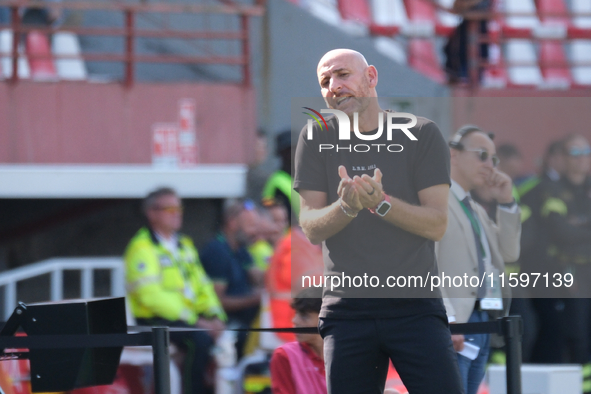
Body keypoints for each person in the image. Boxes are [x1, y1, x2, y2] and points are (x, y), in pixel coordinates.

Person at [294, 48, 463, 394]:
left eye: (343, 74)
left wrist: (381, 204)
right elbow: (310, 226)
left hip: (415, 309)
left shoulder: (422, 134)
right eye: (325, 81)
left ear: (371, 77)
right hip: (346, 311)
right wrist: (346, 207)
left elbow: (436, 224)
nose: (334, 86)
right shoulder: (314, 138)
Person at [437, 126, 520, 394]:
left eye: (493, 159)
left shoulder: (472, 207)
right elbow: (426, 265)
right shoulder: (435, 200)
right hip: (459, 323)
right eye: (482, 155)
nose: (490, 165)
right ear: (453, 155)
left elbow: (509, 253)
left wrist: (506, 202)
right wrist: (446, 318)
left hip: (484, 317)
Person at [124, 187, 226, 394]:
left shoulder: (184, 246)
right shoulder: (142, 248)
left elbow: (203, 286)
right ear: (152, 213)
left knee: (234, 334)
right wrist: (195, 320)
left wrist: (215, 315)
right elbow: (150, 296)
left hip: (187, 318)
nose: (177, 213)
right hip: (155, 320)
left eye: (179, 207)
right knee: (199, 340)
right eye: (169, 208)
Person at [538, 135, 591, 392]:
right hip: (568, 270)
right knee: (577, 332)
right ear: (565, 158)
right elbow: (560, 232)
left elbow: (571, 230)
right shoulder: (553, 190)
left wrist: (578, 224)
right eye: (575, 152)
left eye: (586, 150)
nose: (582, 157)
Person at [200, 199, 264, 359]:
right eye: (251, 226)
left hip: (247, 318)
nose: (255, 231)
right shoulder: (217, 252)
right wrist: (256, 298)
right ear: (232, 223)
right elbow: (218, 302)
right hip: (228, 324)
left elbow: (260, 278)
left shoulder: (240, 249)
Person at [270, 287, 326, 394]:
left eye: (304, 316)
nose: (294, 321)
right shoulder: (285, 356)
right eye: (296, 313)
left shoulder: (351, 354)